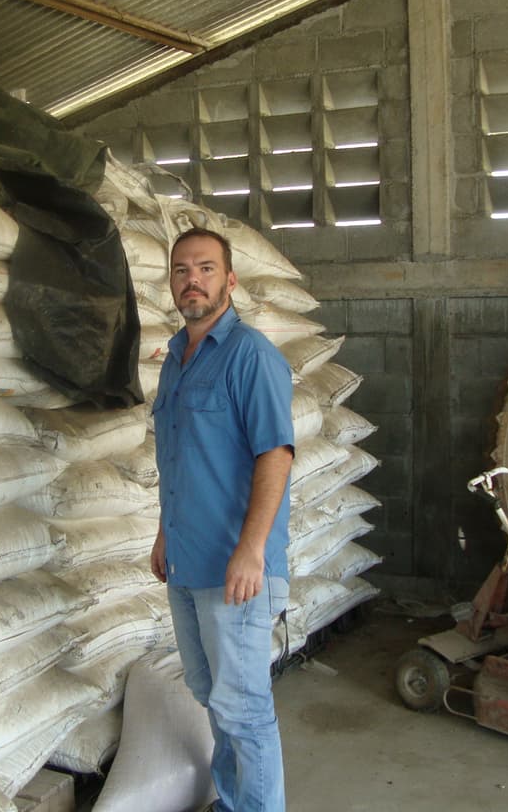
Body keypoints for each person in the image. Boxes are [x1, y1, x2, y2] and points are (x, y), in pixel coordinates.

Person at [150, 226, 295, 812]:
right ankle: (235, 800)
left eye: (206, 269)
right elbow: (180, 455)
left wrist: (252, 548)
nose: (193, 280)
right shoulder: (175, 361)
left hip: (236, 567)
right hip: (188, 558)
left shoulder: (251, 356)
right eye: (183, 270)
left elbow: (276, 454)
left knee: (244, 707)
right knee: (211, 695)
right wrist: (165, 531)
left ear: (230, 280)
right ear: (171, 282)